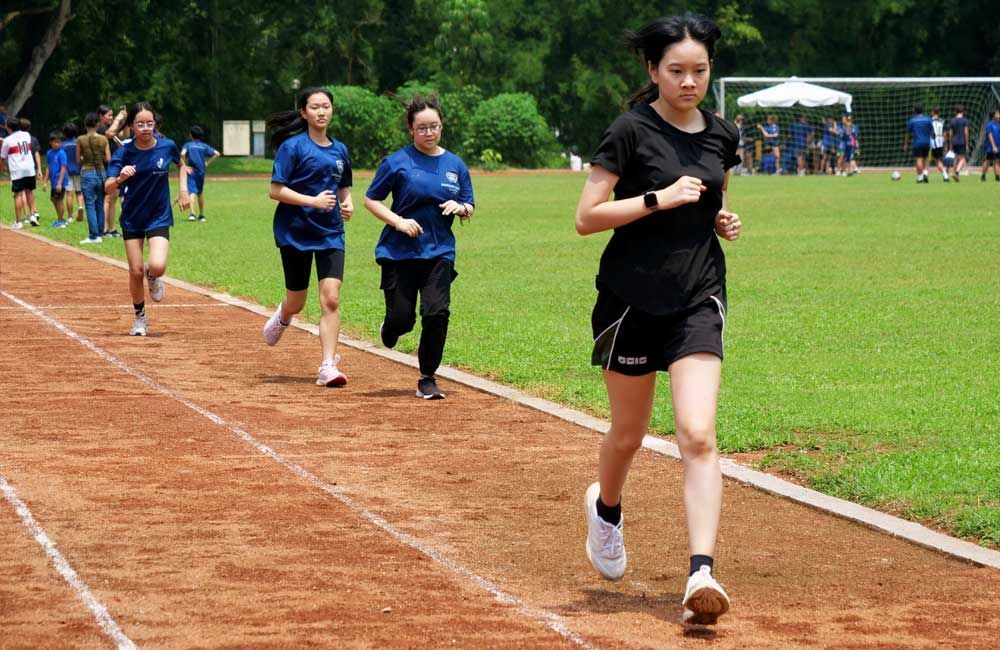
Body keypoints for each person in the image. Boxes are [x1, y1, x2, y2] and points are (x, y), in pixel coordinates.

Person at [574, 13, 742, 626]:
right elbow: (586, 217)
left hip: (699, 295)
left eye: (700, 70)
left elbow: (719, 196)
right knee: (628, 433)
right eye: (677, 71)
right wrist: (657, 198)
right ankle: (607, 511)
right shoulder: (630, 130)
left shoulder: (721, 134)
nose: (690, 81)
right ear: (653, 70)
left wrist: (724, 220)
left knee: (697, 432)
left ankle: (701, 570)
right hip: (630, 300)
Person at [363, 95, 475, 400]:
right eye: (422, 128)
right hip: (399, 251)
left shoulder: (455, 164)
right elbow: (371, 199)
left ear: (441, 126)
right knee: (403, 319)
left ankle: (427, 377)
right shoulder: (396, 162)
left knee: (436, 313)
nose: (429, 133)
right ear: (411, 129)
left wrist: (461, 207)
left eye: (434, 126)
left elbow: (469, 204)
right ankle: (392, 325)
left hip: (439, 252)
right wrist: (398, 221)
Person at [262, 87, 354, 387]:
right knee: (297, 301)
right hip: (295, 233)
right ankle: (284, 315)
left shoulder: (340, 149)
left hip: (330, 233)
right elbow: (275, 190)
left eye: (326, 106)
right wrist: (312, 201)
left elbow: (343, 185)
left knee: (331, 298)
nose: (321, 112)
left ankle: (327, 365)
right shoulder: (293, 147)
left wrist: (347, 202)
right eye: (315, 107)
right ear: (304, 112)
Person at [103, 101, 189, 336]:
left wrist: (183, 191)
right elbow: (108, 188)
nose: (145, 128)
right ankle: (140, 318)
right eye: (140, 124)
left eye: (149, 123)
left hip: (159, 216)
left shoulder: (167, 146)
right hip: (132, 218)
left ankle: (153, 277)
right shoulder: (124, 152)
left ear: (155, 124)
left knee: (158, 266)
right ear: (131, 126)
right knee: (135, 271)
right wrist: (120, 178)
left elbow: (182, 167)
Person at [76, 112, 111, 244]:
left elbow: (77, 159)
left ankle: (93, 235)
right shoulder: (103, 139)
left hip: (87, 172)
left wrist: (85, 157)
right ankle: (100, 233)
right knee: (100, 203)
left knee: (89, 204)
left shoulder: (80, 139)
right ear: (98, 124)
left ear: (85, 124)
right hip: (101, 172)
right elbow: (108, 159)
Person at [1, 117, 40, 229]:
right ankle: (33, 215)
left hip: (17, 170)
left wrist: (2, 168)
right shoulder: (26, 135)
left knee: (18, 194)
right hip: (29, 168)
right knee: (29, 192)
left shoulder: (7, 140)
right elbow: (17, 142)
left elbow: (3, 158)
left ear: (8, 127)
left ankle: (18, 222)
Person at [98, 104, 127, 237]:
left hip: (115, 165)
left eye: (112, 115)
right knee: (108, 197)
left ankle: (111, 229)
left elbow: (125, 135)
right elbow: (110, 133)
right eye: (109, 115)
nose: (111, 117)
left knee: (114, 198)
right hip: (105, 165)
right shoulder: (100, 127)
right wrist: (118, 119)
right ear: (100, 116)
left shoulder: (110, 127)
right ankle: (103, 229)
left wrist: (125, 122)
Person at [181, 125, 220, 221]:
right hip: (201, 172)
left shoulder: (188, 145)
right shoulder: (204, 146)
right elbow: (217, 153)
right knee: (200, 193)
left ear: (191, 135)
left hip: (191, 171)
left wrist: (185, 166)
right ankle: (202, 215)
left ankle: (192, 214)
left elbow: (182, 154)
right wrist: (207, 163)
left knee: (191, 192)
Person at [44, 132, 69, 228]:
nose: (57, 144)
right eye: (55, 142)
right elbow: (48, 167)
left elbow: (63, 168)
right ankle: (61, 218)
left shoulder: (62, 153)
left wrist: (59, 182)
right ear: (50, 142)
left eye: (59, 142)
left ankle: (60, 221)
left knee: (59, 200)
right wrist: (46, 182)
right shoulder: (49, 153)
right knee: (53, 199)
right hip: (54, 181)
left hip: (60, 181)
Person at [905, 104, 934, 183]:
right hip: (927, 143)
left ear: (915, 111)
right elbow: (932, 132)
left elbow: (907, 134)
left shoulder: (912, 120)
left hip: (917, 143)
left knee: (919, 159)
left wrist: (906, 144)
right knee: (926, 159)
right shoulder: (928, 119)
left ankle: (920, 177)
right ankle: (925, 173)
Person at [61, 122, 84, 220]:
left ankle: (70, 216)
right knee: (79, 192)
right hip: (79, 170)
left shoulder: (62, 145)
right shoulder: (78, 143)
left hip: (66, 172)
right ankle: (80, 206)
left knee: (69, 194)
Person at [949, 106, 969, 182]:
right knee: (963, 158)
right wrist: (966, 144)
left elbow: (950, 134)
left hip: (954, 141)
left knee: (956, 158)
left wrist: (951, 143)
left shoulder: (952, 120)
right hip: (961, 141)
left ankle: (954, 174)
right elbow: (966, 132)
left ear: (955, 112)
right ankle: (957, 172)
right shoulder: (965, 120)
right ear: (962, 112)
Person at [929, 108, 949, 181]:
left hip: (933, 142)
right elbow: (945, 134)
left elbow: (929, 132)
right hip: (941, 142)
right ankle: (925, 174)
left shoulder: (930, 121)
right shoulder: (942, 121)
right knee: (936, 159)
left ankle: (945, 175)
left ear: (933, 112)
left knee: (936, 161)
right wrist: (946, 145)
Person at [983, 109, 1000, 183]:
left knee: (997, 161)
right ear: (993, 116)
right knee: (988, 161)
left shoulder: (998, 124)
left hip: (998, 146)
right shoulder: (990, 124)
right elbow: (990, 135)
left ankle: (997, 177)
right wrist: (993, 146)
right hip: (991, 146)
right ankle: (983, 175)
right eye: (997, 113)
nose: (999, 114)